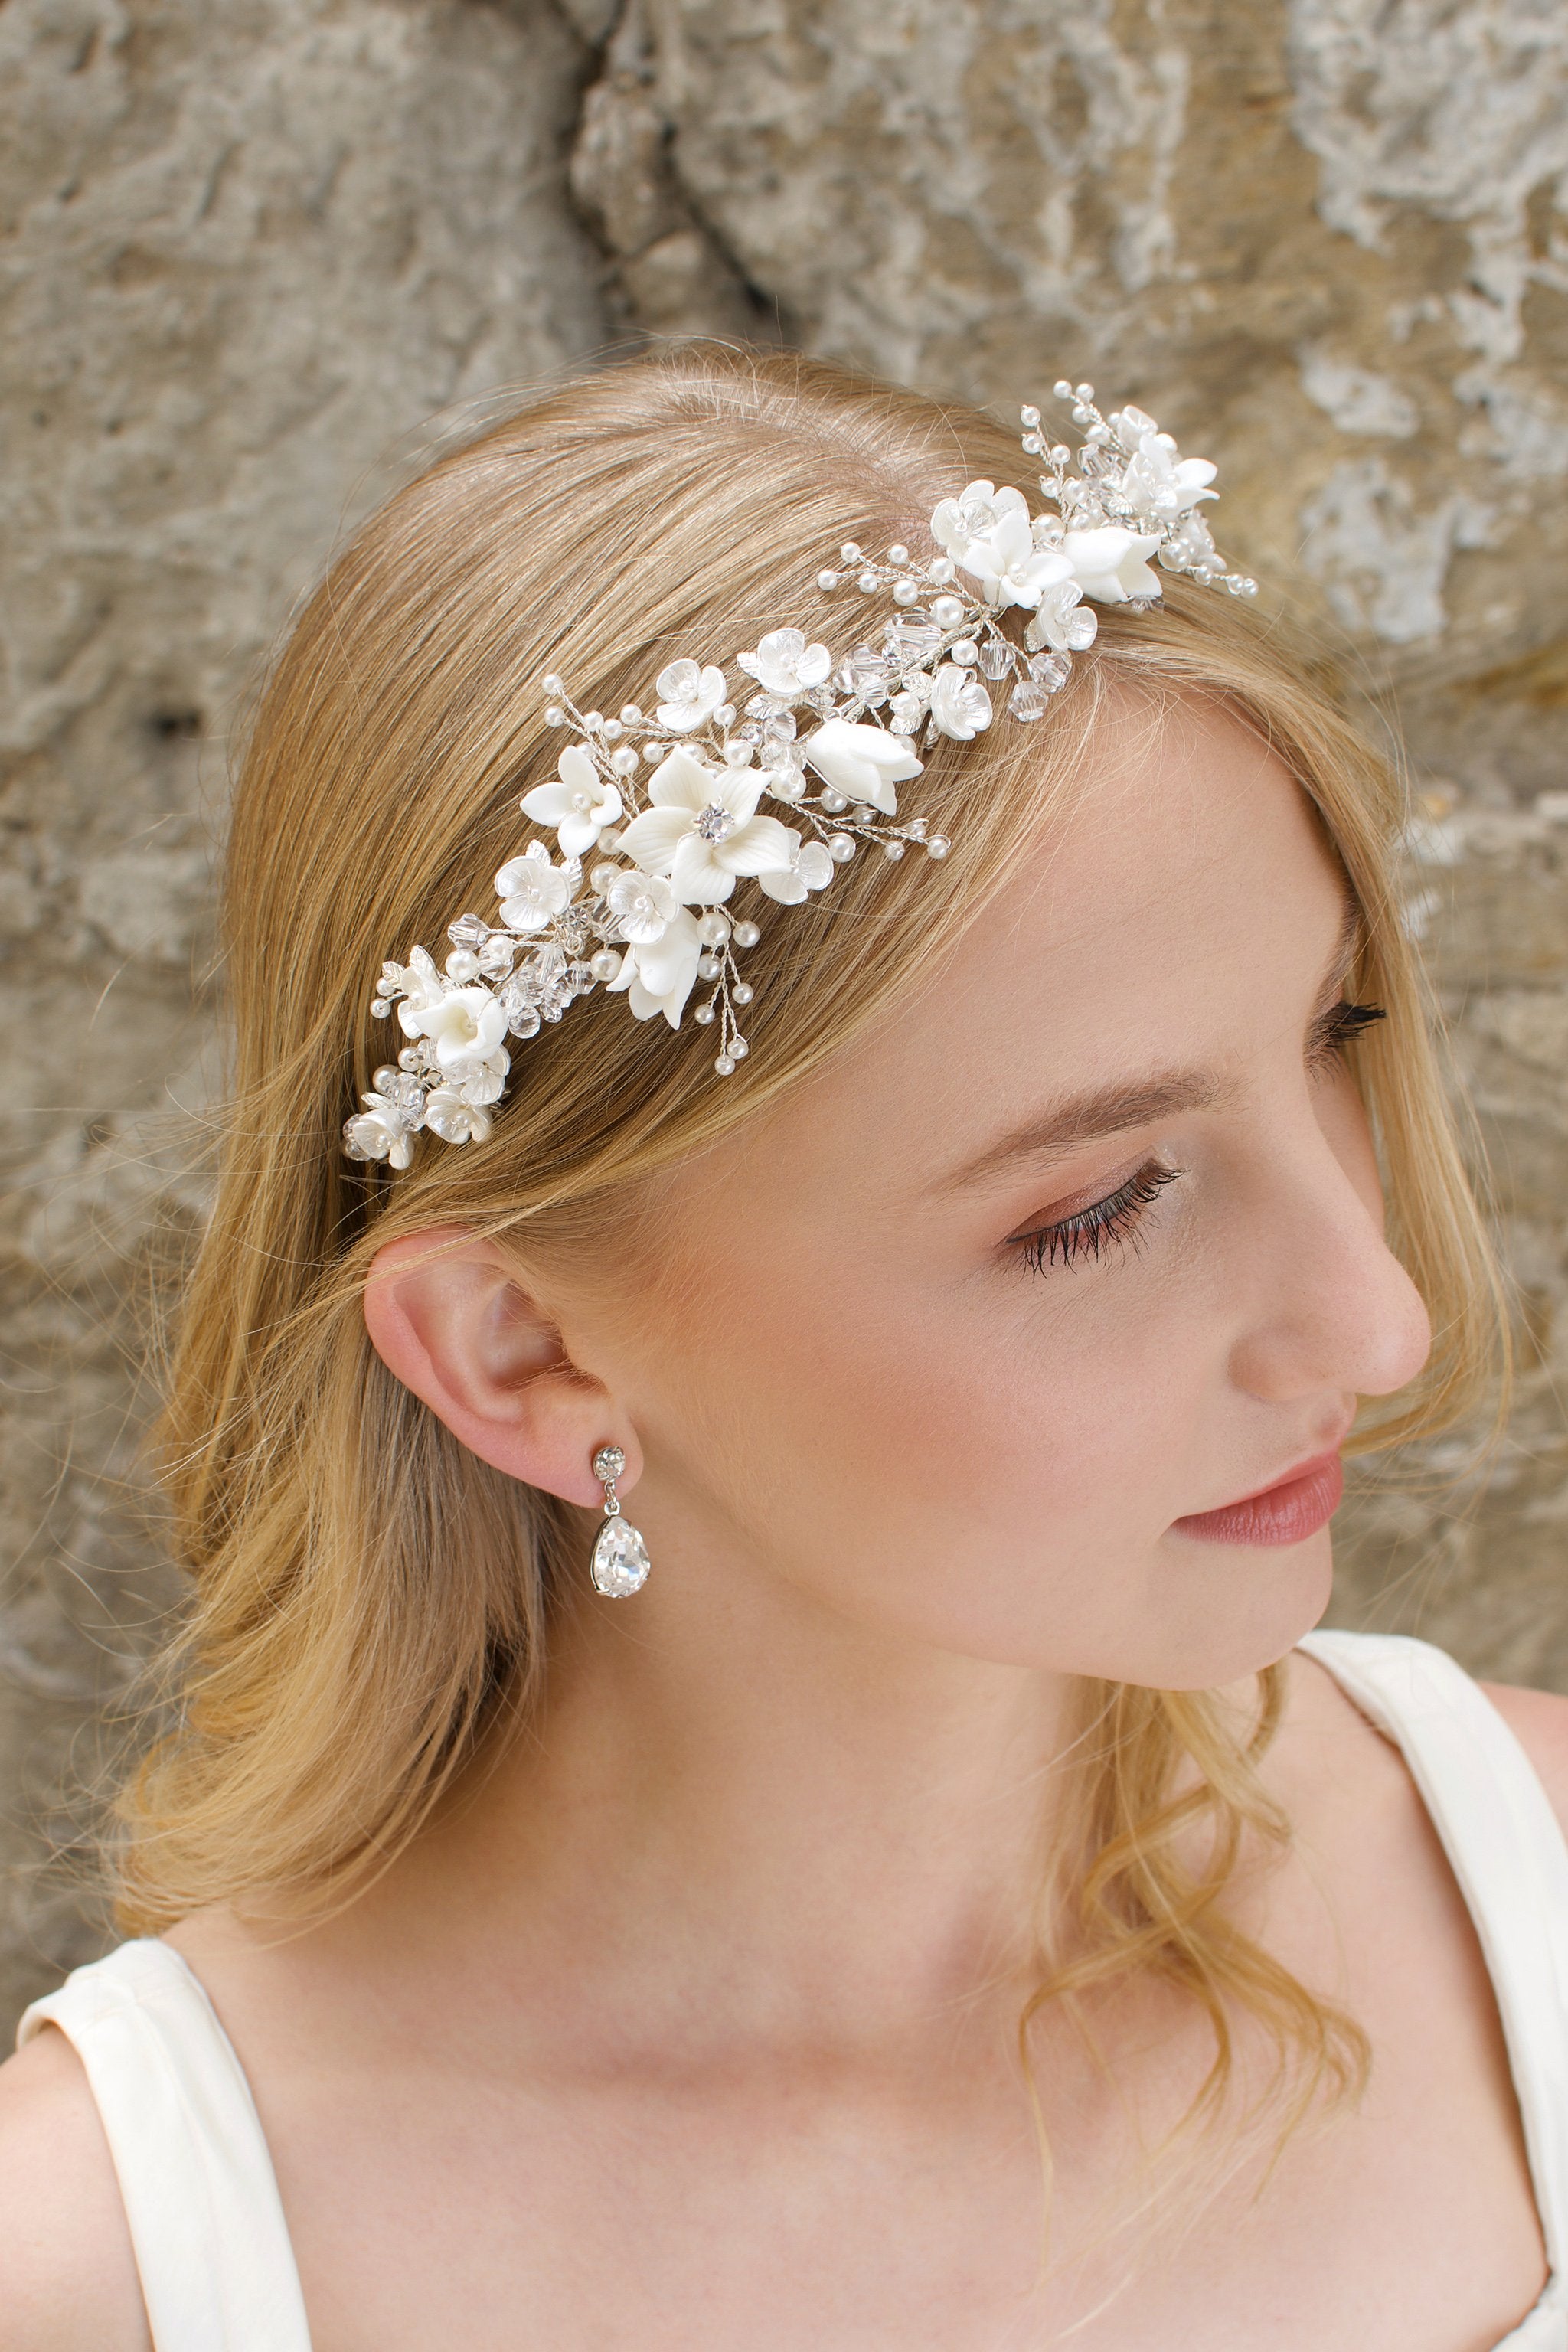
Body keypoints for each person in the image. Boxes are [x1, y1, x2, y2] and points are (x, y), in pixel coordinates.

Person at [2, 344, 1564, 2352]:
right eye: (1092, 1208)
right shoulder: (107, 2276)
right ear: (524, 1355)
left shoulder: (1537, 1926)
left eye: (1332, 1043)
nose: (1382, 1318)